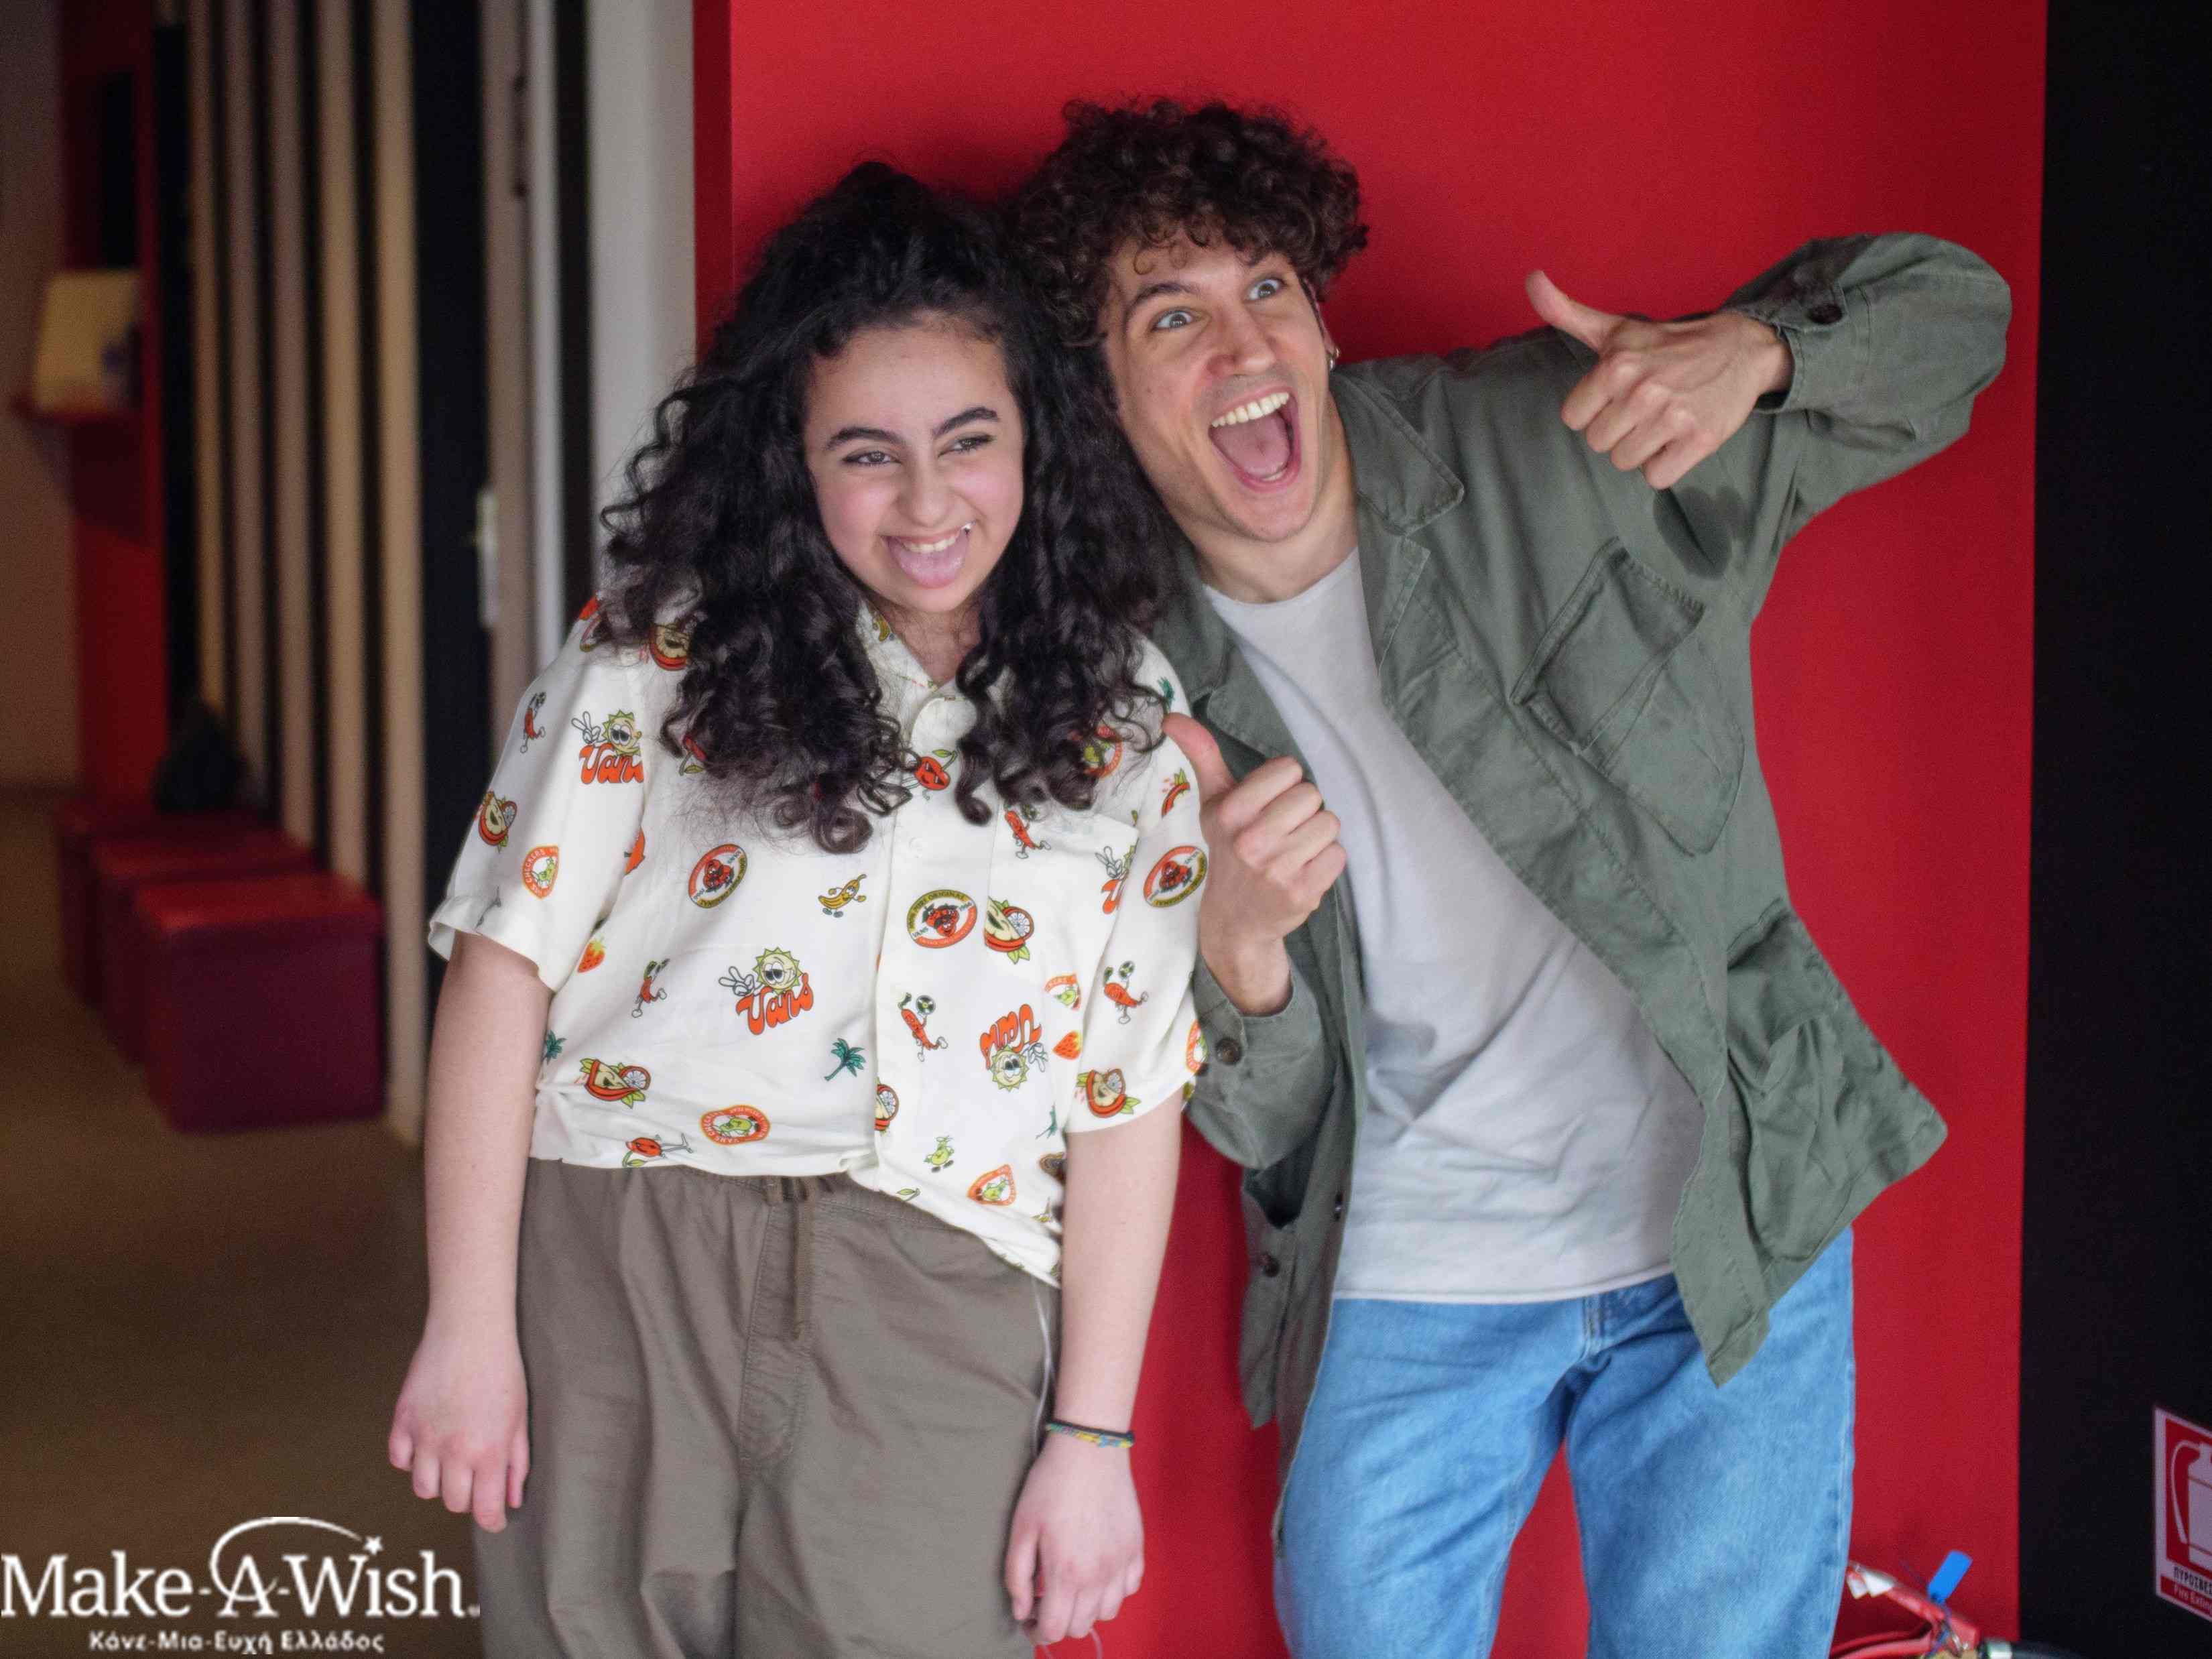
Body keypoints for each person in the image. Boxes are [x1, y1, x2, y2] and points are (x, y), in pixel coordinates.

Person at [1010, 99, 2010, 1658]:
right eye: (1172, 316)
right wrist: (1239, 949)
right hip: (1408, 1263)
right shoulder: (1117, 675)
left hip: (1723, 1208)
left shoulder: (1560, 437)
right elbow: (1270, 1123)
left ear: (1323, 324)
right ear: (1100, 394)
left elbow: (1961, 320)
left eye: (1269, 287)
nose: (1245, 342)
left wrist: (1757, 350)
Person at [386, 163, 1207, 1658]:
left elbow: (1130, 1093)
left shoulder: (1127, 720)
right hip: (621, 1258)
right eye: (866, 454)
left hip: (939, 1295)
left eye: (969, 440)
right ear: (794, 459)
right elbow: (500, 970)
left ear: (1036, 435)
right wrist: (468, 1327)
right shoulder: (655, 657)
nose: (928, 502)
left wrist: (1093, 1439)